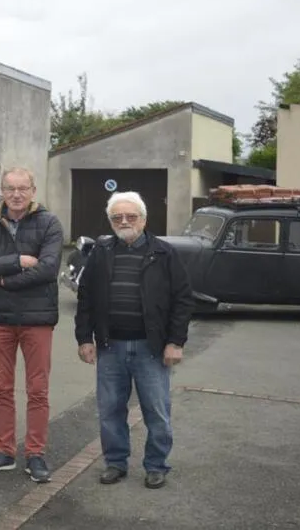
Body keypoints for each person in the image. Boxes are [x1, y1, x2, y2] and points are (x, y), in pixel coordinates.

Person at [75, 191, 194, 489]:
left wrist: (175, 342)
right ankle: (115, 463)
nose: (124, 221)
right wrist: (84, 338)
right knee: (110, 410)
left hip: (150, 348)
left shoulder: (164, 253)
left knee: (157, 411)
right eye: (117, 217)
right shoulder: (101, 252)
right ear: (110, 221)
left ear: (143, 219)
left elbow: (182, 300)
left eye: (131, 216)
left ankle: (156, 465)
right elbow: (86, 298)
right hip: (110, 347)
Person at [0, 167, 63, 483]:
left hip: (37, 318)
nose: (16, 194)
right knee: (1, 388)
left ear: (33, 190)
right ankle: (4, 451)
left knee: (37, 390)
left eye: (23, 188)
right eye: (10, 188)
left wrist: (1, 280)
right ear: (2, 191)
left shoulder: (49, 223)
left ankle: (35, 454)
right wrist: (18, 262)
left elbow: (48, 269)